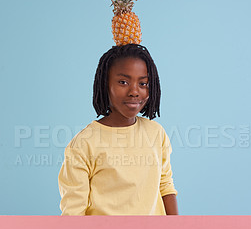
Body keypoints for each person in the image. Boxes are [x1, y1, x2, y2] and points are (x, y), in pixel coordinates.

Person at [58, 43, 178, 215]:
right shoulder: (84, 144)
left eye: (143, 83)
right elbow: (74, 212)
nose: (134, 91)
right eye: (123, 82)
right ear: (105, 84)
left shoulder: (155, 133)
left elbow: (165, 185)